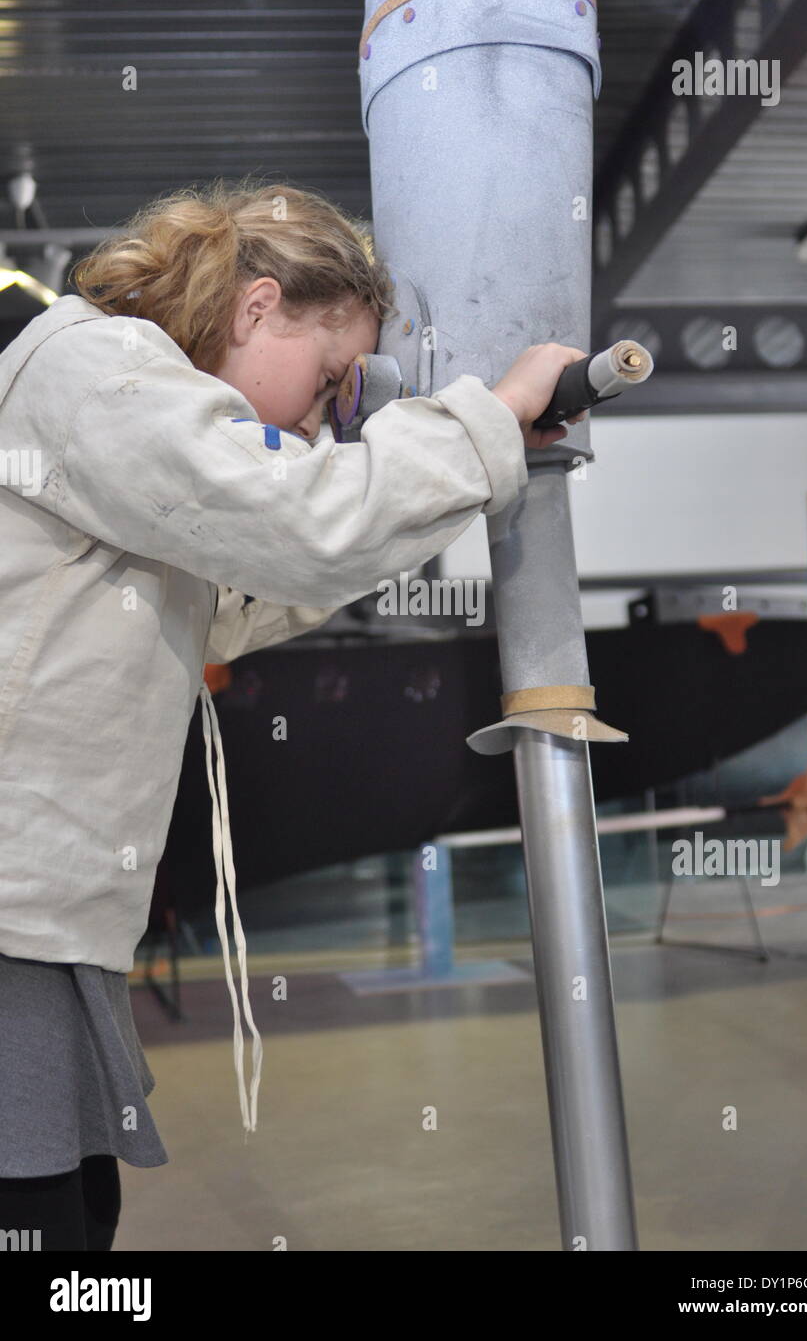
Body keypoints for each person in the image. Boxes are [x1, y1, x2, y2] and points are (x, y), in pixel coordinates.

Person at [0, 177, 586, 1250]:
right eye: (326, 379)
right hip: (13, 920)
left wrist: (450, 471)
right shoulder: (94, 367)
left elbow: (245, 594)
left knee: (73, 1222)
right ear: (253, 306)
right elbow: (295, 519)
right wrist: (483, 422)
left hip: (50, 920)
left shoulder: (144, 444)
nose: (320, 415)